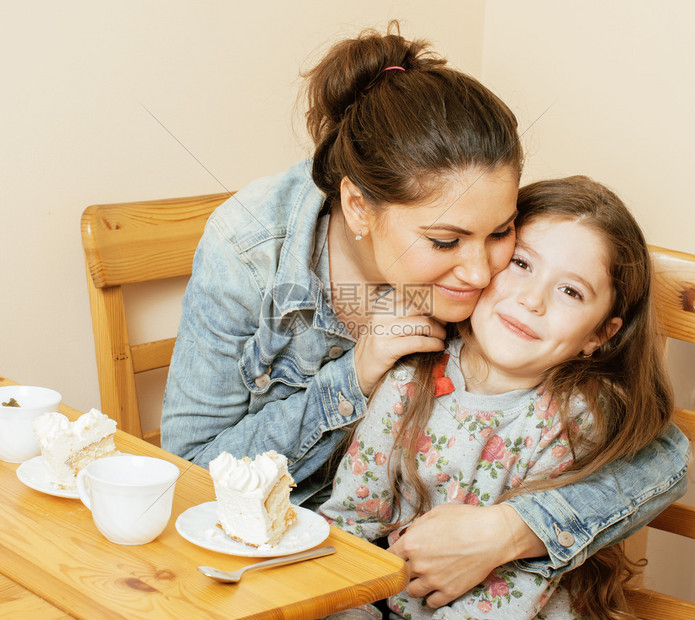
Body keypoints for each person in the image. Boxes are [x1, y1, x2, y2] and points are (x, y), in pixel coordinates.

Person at [161, 23, 689, 606]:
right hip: (300, 561)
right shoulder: (251, 248)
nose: (482, 273)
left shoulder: (506, 298)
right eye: (445, 242)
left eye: (502, 234)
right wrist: (352, 376)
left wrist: (511, 530)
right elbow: (188, 476)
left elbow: (656, 452)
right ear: (358, 206)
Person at [320, 176, 677, 619]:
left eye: (570, 291)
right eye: (522, 264)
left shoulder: (575, 419)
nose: (532, 300)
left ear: (599, 335)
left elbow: (513, 591)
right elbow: (350, 525)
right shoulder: (412, 374)